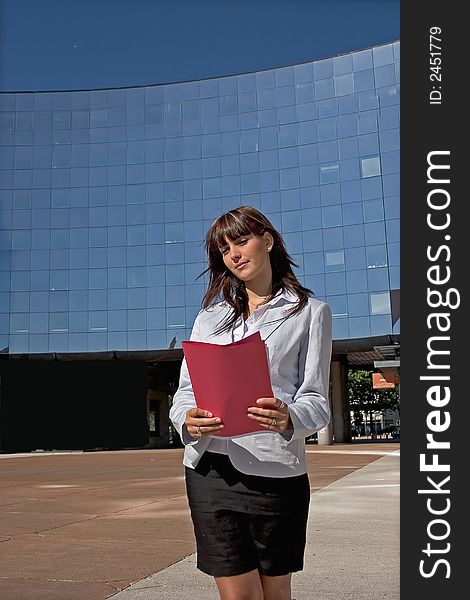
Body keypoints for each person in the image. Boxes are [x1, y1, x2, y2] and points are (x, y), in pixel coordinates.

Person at [169, 205, 332, 600]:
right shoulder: (209, 317)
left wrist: (289, 415)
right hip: (210, 470)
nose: (235, 254)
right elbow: (185, 392)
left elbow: (317, 399)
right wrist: (187, 419)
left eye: (242, 241)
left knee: (274, 594)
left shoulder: (310, 313)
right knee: (238, 596)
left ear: (269, 241)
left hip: (275, 472)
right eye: (225, 250)